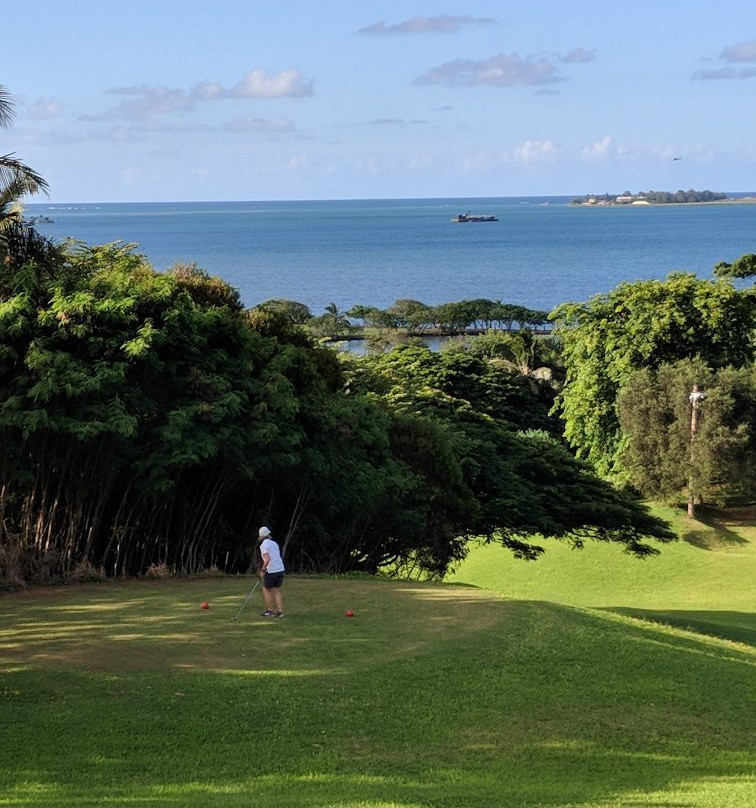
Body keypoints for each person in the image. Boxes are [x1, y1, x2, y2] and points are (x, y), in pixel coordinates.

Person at [258, 526, 285, 617]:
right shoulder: (274, 543)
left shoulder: (263, 545)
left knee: (266, 589)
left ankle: (270, 611)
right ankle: (280, 611)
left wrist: (262, 570)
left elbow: (267, 559)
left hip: (272, 570)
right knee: (276, 589)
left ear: (261, 536)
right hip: (280, 569)